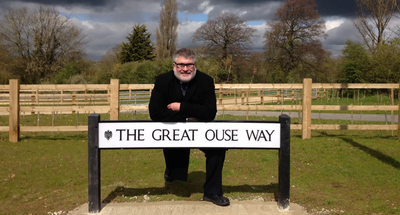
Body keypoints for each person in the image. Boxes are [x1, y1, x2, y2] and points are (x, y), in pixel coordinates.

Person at [148, 48, 230, 206]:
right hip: (172, 130)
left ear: (195, 65)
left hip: (200, 129)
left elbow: (210, 112)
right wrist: (189, 115)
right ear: (174, 65)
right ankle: (171, 172)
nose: (185, 69)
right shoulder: (162, 81)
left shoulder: (206, 81)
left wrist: (181, 107)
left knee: (218, 148)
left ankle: (213, 192)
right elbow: (155, 113)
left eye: (189, 65)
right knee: (175, 163)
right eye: (181, 65)